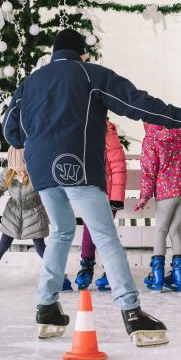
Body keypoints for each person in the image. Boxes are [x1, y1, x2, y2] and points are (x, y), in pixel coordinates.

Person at [3, 28, 181, 346]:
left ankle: (46, 308)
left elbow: (10, 128)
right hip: (77, 164)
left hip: (41, 170)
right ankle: (132, 313)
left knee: (60, 232)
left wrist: (32, 143)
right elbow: (136, 103)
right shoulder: (90, 74)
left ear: (54, 54)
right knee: (104, 236)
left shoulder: (30, 82)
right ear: (82, 53)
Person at [0, 147, 51, 289]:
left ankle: (56, 273)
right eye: (17, 169)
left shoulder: (38, 173)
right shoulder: (8, 172)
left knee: (40, 246)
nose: (21, 173)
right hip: (13, 212)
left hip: (34, 212)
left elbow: (49, 192)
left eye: (24, 169)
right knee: (4, 242)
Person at [135, 122, 181, 292]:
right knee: (175, 231)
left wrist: (144, 196)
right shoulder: (179, 134)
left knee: (161, 230)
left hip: (166, 191)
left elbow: (149, 170)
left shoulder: (150, 139)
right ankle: (179, 277)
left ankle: (157, 277)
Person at [74, 118, 127, 290]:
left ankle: (112, 271)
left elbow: (118, 166)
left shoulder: (108, 133)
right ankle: (86, 267)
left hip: (108, 195)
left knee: (104, 233)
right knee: (89, 229)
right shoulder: (79, 131)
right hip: (88, 191)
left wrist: (116, 199)